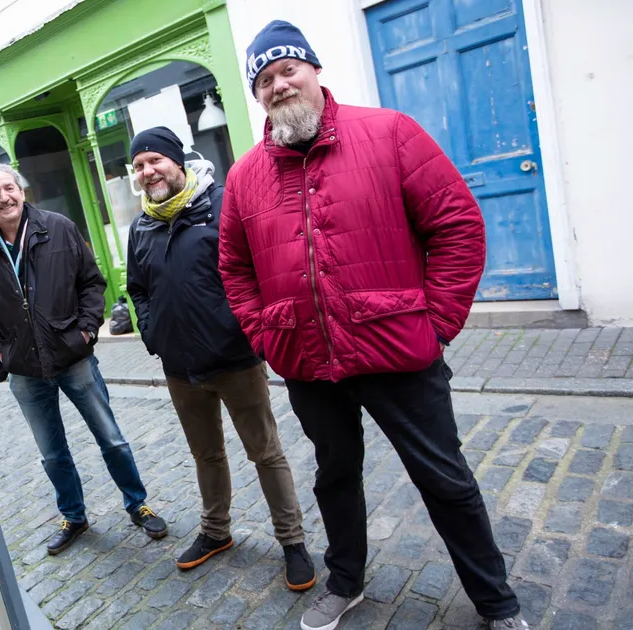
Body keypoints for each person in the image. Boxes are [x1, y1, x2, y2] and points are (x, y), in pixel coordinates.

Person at [219, 20, 526, 630]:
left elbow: (457, 226)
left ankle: (497, 603)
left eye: (288, 70)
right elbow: (234, 267)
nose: (280, 85)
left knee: (445, 479)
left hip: (398, 350)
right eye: (265, 80)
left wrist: (437, 323)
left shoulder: (389, 132)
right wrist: (265, 333)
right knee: (335, 477)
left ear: (313, 70)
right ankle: (345, 583)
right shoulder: (244, 176)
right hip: (308, 359)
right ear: (257, 95)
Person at [125, 127, 314, 588]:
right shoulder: (142, 226)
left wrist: (246, 329)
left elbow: (257, 270)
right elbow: (138, 289)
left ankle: (292, 541)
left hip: (235, 358)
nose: (148, 171)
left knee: (265, 451)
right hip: (180, 368)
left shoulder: (221, 204)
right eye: (139, 166)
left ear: (177, 161)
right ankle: (215, 532)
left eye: (155, 160)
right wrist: (153, 334)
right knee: (205, 454)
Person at [0, 163, 166, 555]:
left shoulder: (58, 228)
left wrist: (86, 331)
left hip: (73, 358)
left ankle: (137, 504)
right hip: (24, 369)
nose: (4, 197)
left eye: (9, 188)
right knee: (52, 453)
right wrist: (0, 351)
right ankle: (74, 516)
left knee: (111, 439)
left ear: (21, 191)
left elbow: (91, 283)